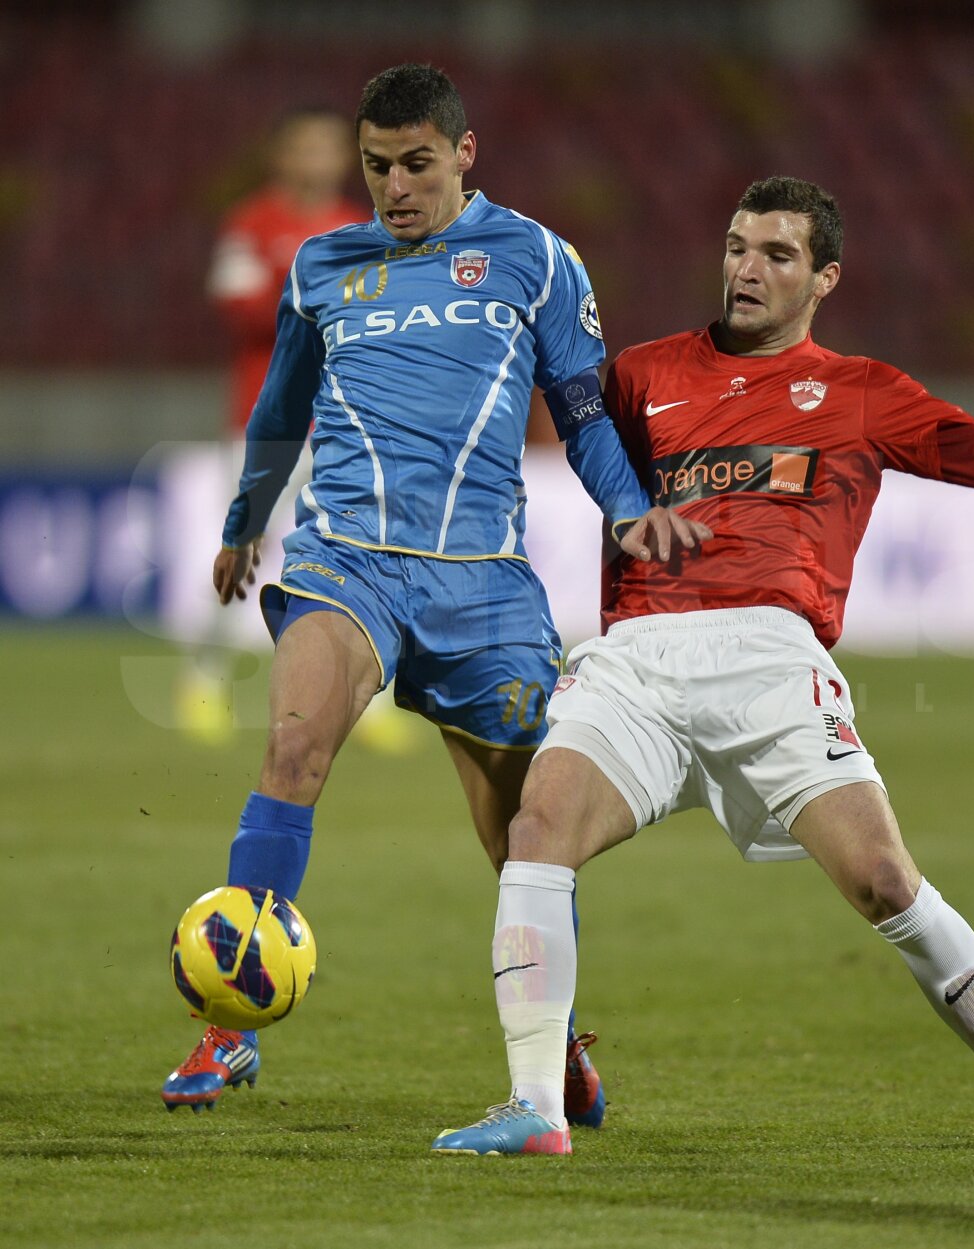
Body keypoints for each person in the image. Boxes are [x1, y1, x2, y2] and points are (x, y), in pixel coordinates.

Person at [431, 177, 974, 1156]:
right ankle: (538, 1106)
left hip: (770, 654)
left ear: (825, 277)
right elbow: (561, 434)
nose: (747, 268)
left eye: (778, 254)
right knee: (535, 830)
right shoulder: (640, 376)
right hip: (639, 649)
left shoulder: (863, 394)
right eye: (736, 246)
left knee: (886, 879)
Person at [161, 64, 708, 1119]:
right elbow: (280, 407)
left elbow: (584, 411)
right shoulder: (325, 264)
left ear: (465, 153)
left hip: (484, 586)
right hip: (345, 559)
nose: (394, 187)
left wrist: (630, 508)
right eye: (376, 167)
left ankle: (551, 1054)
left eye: (416, 164)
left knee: (524, 834)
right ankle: (228, 1029)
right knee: (292, 746)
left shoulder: (535, 258)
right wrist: (243, 526)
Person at [176, 107, 363, 746]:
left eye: (329, 147)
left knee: (359, 556)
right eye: (306, 146)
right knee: (243, 545)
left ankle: (368, 699)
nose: (318, 158)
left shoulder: (358, 227)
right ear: (280, 155)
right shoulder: (251, 222)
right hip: (267, 420)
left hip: (343, 421)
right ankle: (203, 679)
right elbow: (238, 307)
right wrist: (312, 286)